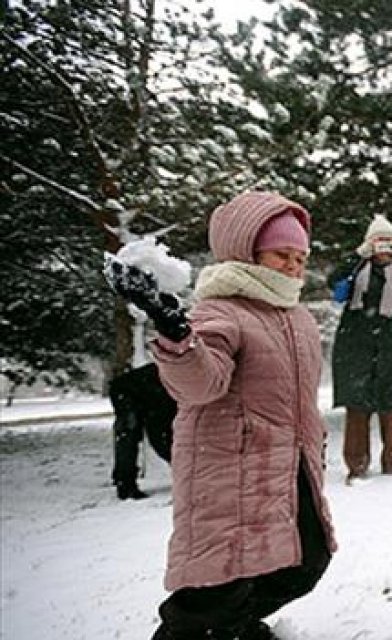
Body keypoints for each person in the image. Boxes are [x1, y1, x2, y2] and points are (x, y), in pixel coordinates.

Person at [106, 191, 338, 640]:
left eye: (300, 257)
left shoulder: (299, 319)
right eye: (281, 255)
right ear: (247, 253)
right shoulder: (221, 310)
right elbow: (199, 384)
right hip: (229, 468)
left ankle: (233, 628)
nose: (293, 266)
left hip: (290, 467)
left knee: (306, 561)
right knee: (217, 583)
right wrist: (176, 334)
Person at [328, 215, 392, 481]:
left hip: (390, 345)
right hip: (354, 345)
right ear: (370, 245)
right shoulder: (357, 267)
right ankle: (356, 465)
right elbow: (333, 283)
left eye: (390, 244)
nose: (384, 251)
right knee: (357, 406)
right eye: (378, 244)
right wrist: (356, 256)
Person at [106, 362, 175, 500]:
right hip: (129, 391)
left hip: (140, 390)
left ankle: (122, 478)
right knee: (129, 434)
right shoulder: (172, 395)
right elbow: (160, 438)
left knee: (130, 436)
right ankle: (125, 485)